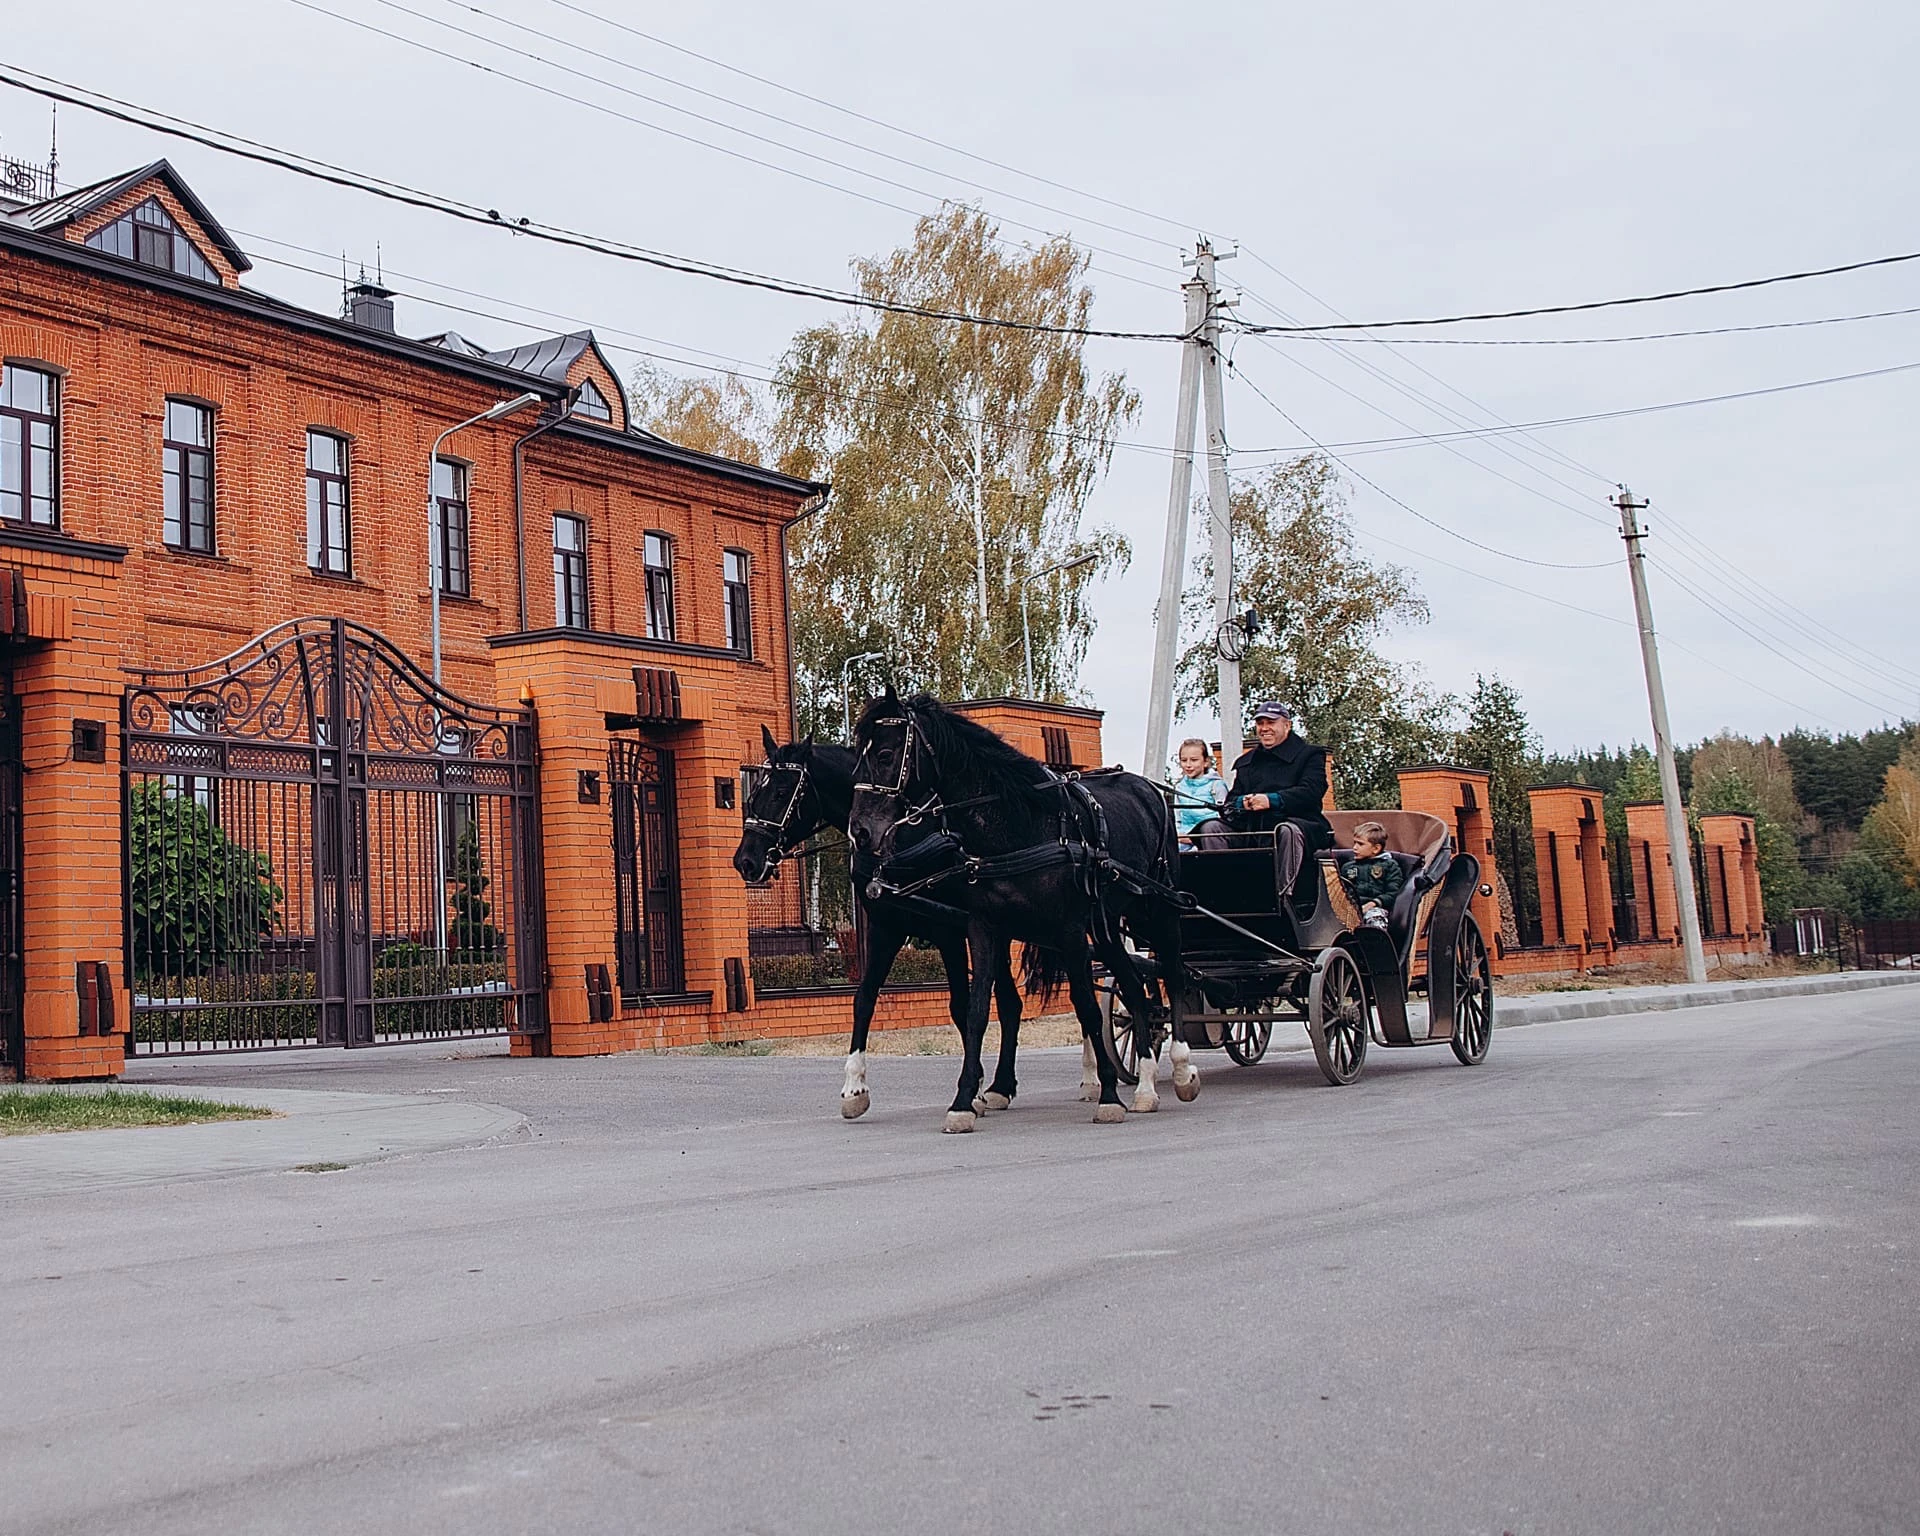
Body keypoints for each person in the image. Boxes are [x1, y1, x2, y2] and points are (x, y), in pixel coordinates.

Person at [1222, 701, 1332, 892]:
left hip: (1300, 824)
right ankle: (1224, 892)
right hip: (1251, 830)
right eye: (1260, 723)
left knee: (1286, 830)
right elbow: (1231, 801)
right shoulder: (1246, 762)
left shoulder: (1309, 755)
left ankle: (1284, 895)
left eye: (1270, 722)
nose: (1264, 729)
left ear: (1287, 725)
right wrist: (1244, 803)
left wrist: (1271, 800)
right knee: (1212, 828)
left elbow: (1312, 791)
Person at [1340, 820, 1405, 932]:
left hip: (1376, 907)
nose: (1354, 847)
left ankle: (1377, 946)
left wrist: (1373, 903)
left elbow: (1393, 892)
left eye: (1360, 844)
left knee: (1375, 919)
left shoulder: (1389, 866)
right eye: (1354, 843)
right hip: (1350, 909)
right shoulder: (1348, 867)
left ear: (1376, 848)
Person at [1171, 737, 1228, 848]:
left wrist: (1196, 839)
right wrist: (1179, 836)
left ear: (1205, 762)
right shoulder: (1179, 787)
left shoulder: (1217, 785)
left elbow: (1224, 818)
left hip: (1209, 841)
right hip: (1182, 841)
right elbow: (1178, 819)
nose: (1188, 765)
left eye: (1194, 760)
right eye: (1184, 760)